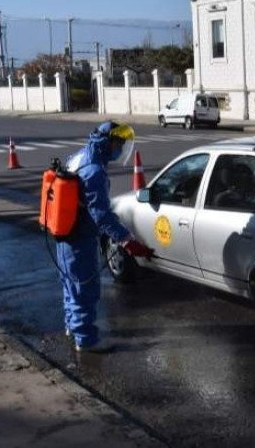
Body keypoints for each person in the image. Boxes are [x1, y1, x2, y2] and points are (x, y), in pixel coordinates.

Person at [57, 121, 154, 353]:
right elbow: (101, 215)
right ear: (108, 143)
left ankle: (73, 326)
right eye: (118, 144)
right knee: (85, 287)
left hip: (64, 233)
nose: (120, 150)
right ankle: (87, 340)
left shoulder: (80, 156)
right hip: (79, 237)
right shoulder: (95, 171)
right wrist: (127, 240)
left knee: (70, 284)